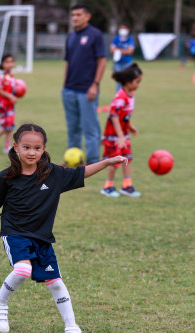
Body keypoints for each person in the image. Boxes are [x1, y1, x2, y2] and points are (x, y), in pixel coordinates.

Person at [0, 123, 127, 333]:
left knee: (56, 283)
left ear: (43, 149)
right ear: (16, 148)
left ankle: (73, 329)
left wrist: (108, 161)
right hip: (14, 233)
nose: (32, 152)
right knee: (23, 269)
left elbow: (82, 172)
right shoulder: (7, 177)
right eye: (26, 147)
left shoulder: (53, 174)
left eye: (37, 148)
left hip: (42, 238)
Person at [62, 4, 106, 164]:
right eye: (73, 15)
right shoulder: (71, 37)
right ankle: (74, 159)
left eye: (78, 15)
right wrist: (64, 86)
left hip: (87, 89)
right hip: (69, 90)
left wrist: (95, 84)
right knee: (73, 128)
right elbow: (68, 62)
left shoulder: (95, 35)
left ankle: (93, 161)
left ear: (87, 16)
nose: (75, 18)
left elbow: (102, 61)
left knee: (90, 128)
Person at [100, 63, 142, 198]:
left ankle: (127, 186)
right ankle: (108, 187)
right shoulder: (121, 97)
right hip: (114, 135)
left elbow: (125, 116)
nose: (138, 84)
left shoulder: (131, 94)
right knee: (115, 160)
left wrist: (130, 127)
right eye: (137, 81)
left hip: (123, 134)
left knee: (127, 158)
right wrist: (120, 136)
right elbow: (114, 116)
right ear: (128, 82)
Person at [110, 24, 135, 91]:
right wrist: (124, 51)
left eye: (124, 28)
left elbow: (130, 51)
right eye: (121, 28)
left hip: (127, 63)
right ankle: (119, 97)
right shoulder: (116, 38)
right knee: (119, 81)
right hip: (118, 63)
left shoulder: (130, 38)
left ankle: (127, 96)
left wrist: (118, 50)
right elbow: (112, 50)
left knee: (128, 81)